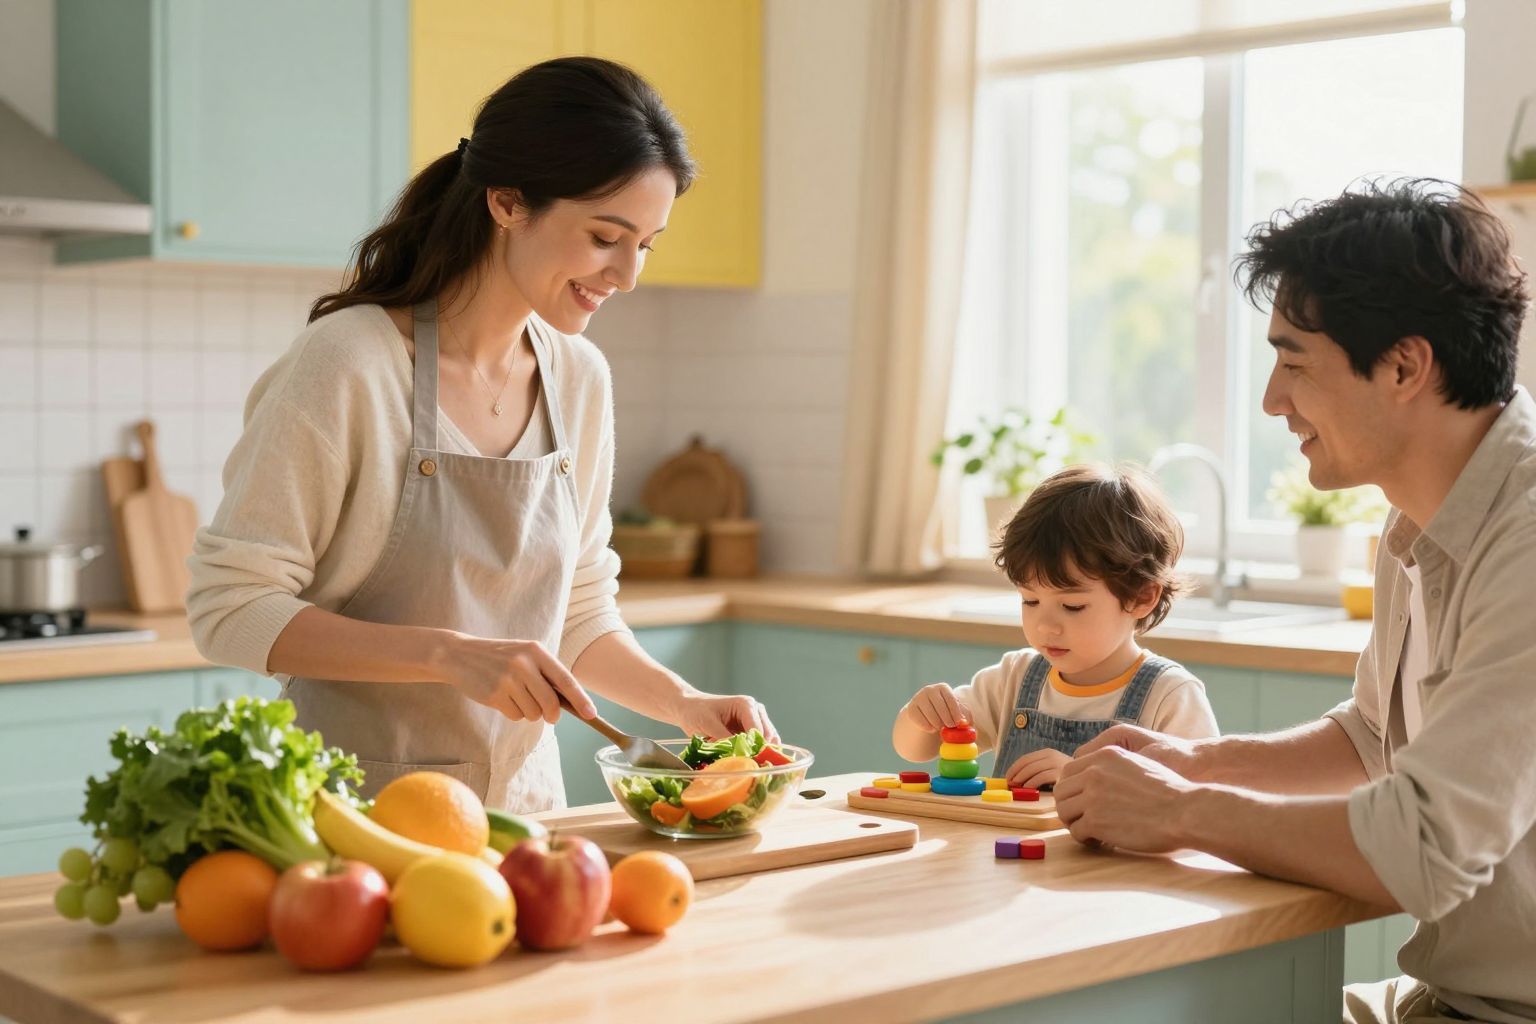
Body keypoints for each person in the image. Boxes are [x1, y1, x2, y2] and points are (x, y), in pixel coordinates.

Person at [187, 57, 776, 812]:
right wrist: (448, 655)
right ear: (506, 202)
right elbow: (228, 608)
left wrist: (683, 702)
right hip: (351, 819)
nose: (627, 274)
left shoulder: (579, 378)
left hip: (525, 818)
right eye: (606, 236)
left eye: (647, 244)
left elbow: (578, 607)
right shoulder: (350, 363)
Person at [1055, 179, 1535, 1024]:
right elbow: (1373, 737)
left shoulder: (1525, 541)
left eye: (1294, 362)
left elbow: (1423, 847)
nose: (1274, 400)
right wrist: (1194, 762)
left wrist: (1177, 810)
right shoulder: (1422, 514)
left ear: (1403, 365)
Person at [892, 464, 1218, 789]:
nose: (1045, 626)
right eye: (1030, 601)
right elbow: (915, 749)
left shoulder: (1170, 697)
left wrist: (1084, 778)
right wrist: (920, 716)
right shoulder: (1015, 678)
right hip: (1007, 842)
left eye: (1072, 606)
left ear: (1141, 597)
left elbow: (1197, 805)